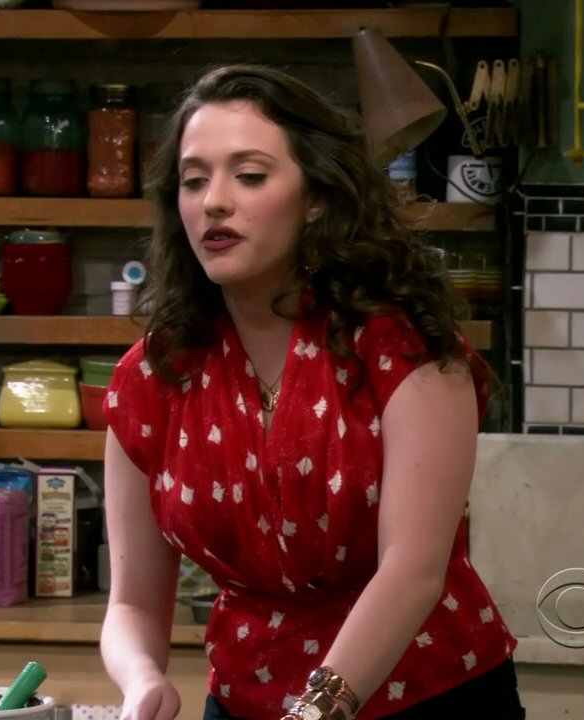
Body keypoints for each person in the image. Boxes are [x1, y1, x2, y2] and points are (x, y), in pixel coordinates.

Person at [100, 64, 523, 720]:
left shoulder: (403, 348)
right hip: (244, 699)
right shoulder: (154, 377)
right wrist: (141, 680)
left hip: (425, 699)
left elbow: (413, 570)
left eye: (249, 175)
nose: (213, 202)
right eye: (193, 180)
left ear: (317, 197)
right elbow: (131, 602)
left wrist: (317, 709)